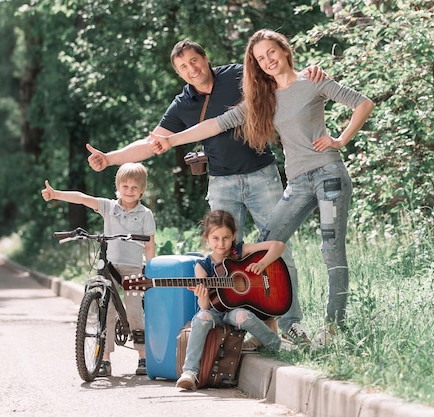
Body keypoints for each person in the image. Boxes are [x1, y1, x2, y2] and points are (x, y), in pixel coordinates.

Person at [87, 39, 325, 347]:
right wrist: (109, 158)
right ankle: (245, 327)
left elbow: (278, 76)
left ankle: (292, 324)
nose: (191, 69)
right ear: (178, 72)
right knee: (224, 258)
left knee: (277, 250)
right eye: (183, 67)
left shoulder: (236, 75)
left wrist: (311, 71)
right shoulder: (183, 104)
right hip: (222, 183)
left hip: (262, 175)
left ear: (205, 58)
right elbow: (152, 143)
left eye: (194, 61)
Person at [150, 29, 375, 348]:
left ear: (284, 50)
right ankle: (269, 322)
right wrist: (170, 140)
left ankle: (334, 328)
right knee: (268, 242)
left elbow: (363, 103)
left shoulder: (312, 80)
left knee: (331, 249)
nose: (267, 60)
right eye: (259, 58)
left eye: (272, 52)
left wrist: (340, 139)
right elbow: (218, 123)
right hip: (298, 182)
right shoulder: (262, 98)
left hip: (329, 175)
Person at [41, 162, 156, 375]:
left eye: (134, 188)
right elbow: (83, 198)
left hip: (132, 268)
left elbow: (149, 244)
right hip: (109, 265)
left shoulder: (145, 213)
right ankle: (104, 359)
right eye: (125, 186)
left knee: (134, 311)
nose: (129, 191)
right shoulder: (108, 207)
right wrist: (56, 194)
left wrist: (150, 269)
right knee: (107, 311)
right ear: (117, 187)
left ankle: (143, 357)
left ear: (142, 190)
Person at [176, 210, 288, 390]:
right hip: (214, 313)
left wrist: (262, 264)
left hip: (234, 312)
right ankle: (190, 372)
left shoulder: (239, 251)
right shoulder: (202, 266)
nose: (221, 244)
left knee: (244, 316)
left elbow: (279, 245)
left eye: (226, 238)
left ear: (234, 235)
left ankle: (277, 345)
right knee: (201, 318)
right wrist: (202, 296)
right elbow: (204, 308)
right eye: (215, 238)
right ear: (207, 238)